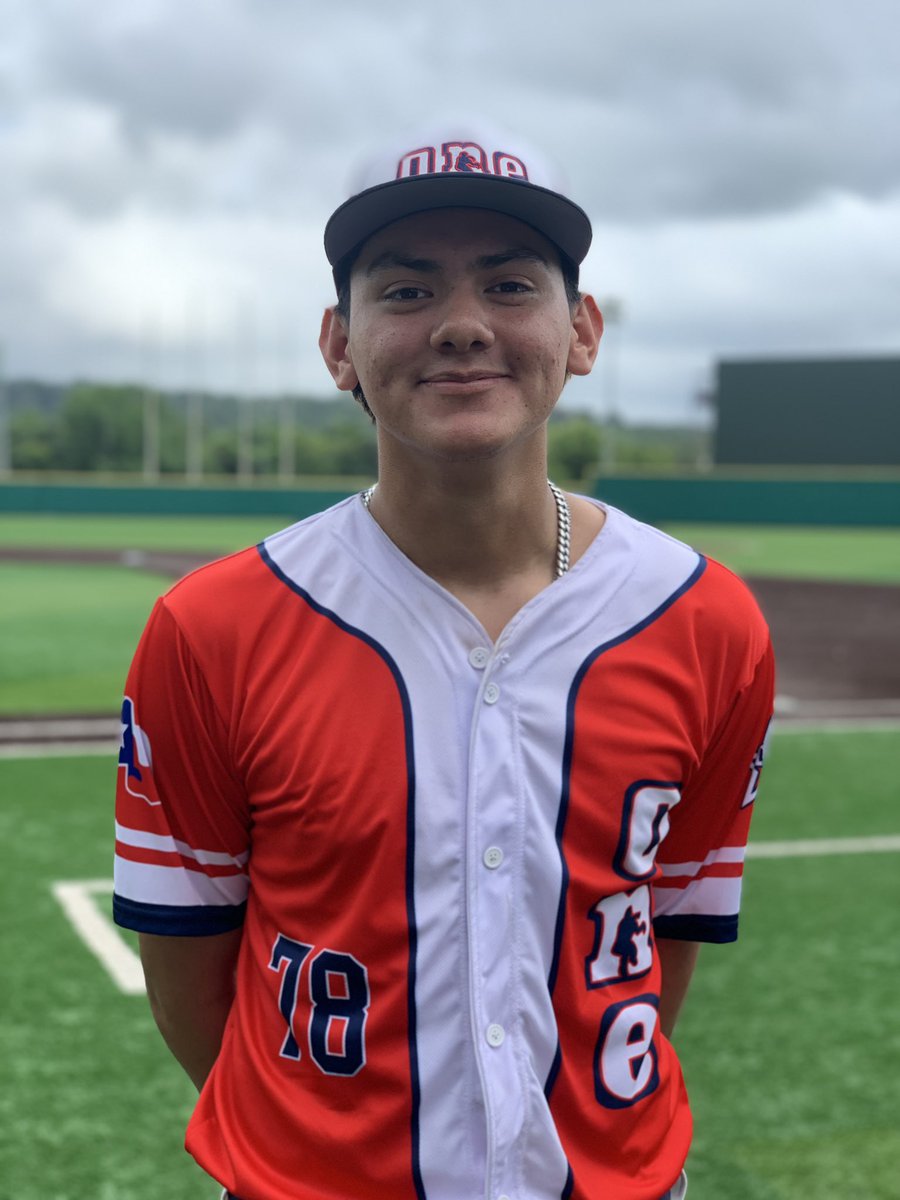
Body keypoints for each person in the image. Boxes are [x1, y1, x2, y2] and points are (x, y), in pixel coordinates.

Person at [114, 124, 774, 1200]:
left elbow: (656, 937)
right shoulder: (211, 628)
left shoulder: (707, 621)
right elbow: (192, 969)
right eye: (407, 292)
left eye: (511, 285)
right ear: (339, 345)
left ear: (583, 330)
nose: (463, 326)